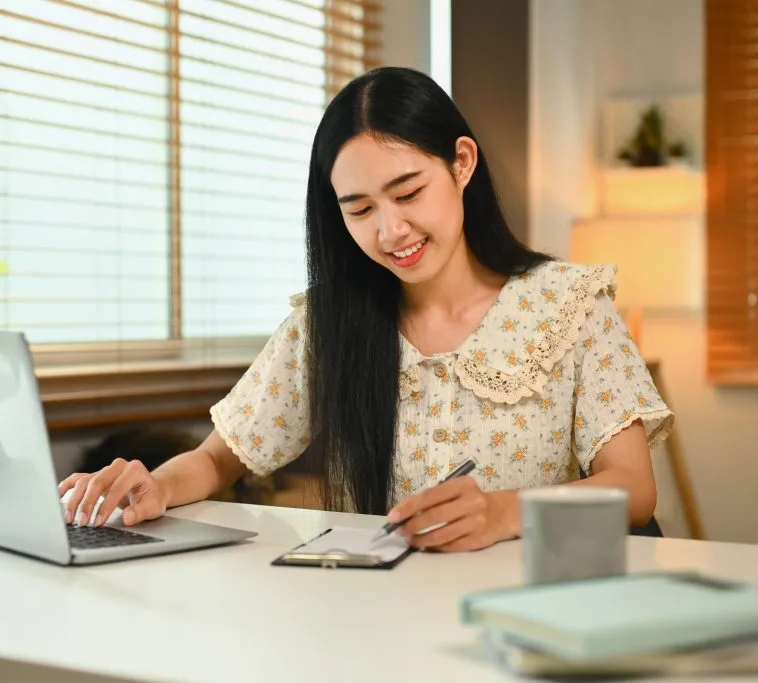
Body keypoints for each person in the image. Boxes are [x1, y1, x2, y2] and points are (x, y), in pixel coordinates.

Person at [58, 66, 674, 553]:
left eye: (408, 193)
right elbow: (221, 457)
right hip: (388, 613)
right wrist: (153, 486)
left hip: (542, 599)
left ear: (461, 163)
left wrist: (502, 511)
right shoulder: (329, 324)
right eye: (359, 209)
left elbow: (633, 490)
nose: (391, 230)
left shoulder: (567, 305)